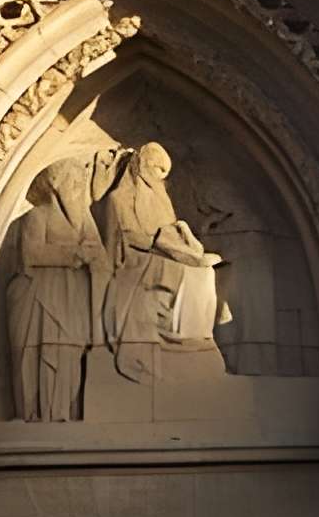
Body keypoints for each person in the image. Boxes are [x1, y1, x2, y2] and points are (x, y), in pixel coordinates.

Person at [96, 143, 226, 380]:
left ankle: (193, 338)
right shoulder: (119, 198)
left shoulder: (161, 198)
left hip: (163, 255)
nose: (158, 178)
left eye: (162, 173)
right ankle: (182, 339)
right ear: (141, 166)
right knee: (186, 273)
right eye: (155, 170)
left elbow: (171, 231)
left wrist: (182, 245)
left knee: (204, 272)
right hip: (135, 262)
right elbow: (124, 237)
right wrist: (159, 241)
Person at [6, 160, 104, 422]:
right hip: (39, 296)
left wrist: (90, 255)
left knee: (68, 353)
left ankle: (63, 414)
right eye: (72, 183)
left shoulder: (84, 221)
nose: (77, 190)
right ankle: (33, 414)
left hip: (71, 299)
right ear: (56, 186)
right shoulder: (37, 216)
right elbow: (31, 253)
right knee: (36, 353)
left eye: (80, 185)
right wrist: (74, 253)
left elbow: (100, 256)